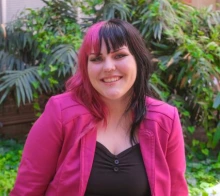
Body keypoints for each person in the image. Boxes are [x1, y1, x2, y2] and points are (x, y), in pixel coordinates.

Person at [10, 19, 188, 196]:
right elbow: (27, 190)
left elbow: (176, 191)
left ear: (138, 60)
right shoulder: (61, 113)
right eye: (97, 59)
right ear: (86, 67)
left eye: (119, 55)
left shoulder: (165, 119)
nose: (109, 67)